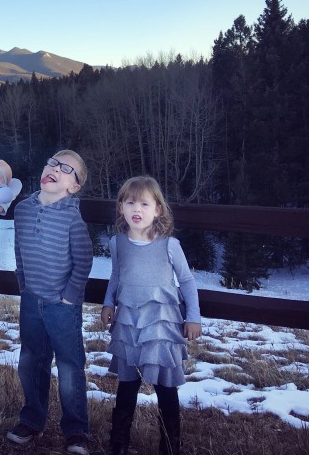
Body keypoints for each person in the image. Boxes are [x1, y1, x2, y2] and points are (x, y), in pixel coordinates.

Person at [100, 175, 202, 455]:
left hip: (162, 323)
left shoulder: (169, 245)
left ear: (158, 209)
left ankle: (170, 447)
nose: (137, 209)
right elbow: (116, 276)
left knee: (165, 388)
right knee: (127, 385)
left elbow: (188, 281)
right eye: (130, 202)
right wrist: (109, 303)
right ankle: (118, 444)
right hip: (128, 323)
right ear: (121, 207)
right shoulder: (117, 242)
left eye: (145, 203)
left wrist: (193, 316)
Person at [7, 150, 93, 455]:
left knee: (70, 366)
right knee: (31, 360)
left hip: (62, 305)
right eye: (53, 162)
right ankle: (32, 420)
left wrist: (69, 298)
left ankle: (76, 430)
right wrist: (23, 285)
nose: (55, 168)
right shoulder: (23, 210)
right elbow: (19, 250)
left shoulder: (71, 215)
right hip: (32, 299)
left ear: (74, 187)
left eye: (67, 169)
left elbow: (83, 261)